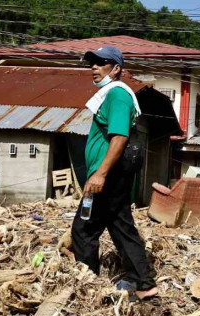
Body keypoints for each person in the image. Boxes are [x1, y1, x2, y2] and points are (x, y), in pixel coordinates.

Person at [71, 45, 158, 302]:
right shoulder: (111, 95)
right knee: (120, 226)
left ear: (116, 68)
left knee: (84, 230)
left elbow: (119, 136)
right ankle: (142, 285)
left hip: (108, 176)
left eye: (101, 62)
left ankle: (86, 286)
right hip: (109, 175)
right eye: (92, 63)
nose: (94, 67)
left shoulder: (117, 94)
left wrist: (100, 174)